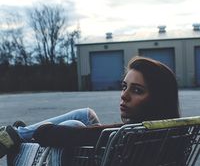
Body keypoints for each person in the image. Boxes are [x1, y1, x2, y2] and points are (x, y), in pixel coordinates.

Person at [0, 56, 180, 156]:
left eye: (137, 90)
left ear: (158, 99)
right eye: (124, 86)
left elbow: (47, 134)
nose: (123, 95)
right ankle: (16, 134)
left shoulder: (129, 136)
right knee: (85, 114)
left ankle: (15, 136)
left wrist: (40, 131)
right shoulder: (169, 135)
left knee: (73, 125)